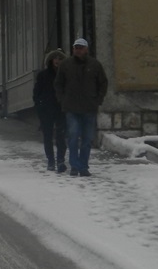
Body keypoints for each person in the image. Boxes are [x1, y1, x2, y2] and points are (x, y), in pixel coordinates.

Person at [55, 38, 109, 177]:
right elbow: (59, 83)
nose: (78, 50)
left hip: (89, 107)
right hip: (71, 108)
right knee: (73, 137)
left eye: (80, 48)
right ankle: (75, 165)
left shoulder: (95, 65)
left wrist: (98, 100)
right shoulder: (66, 64)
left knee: (87, 139)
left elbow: (103, 83)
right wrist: (62, 100)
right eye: (76, 48)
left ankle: (83, 166)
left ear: (86, 49)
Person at [33, 49, 67, 172]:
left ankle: (60, 160)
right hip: (46, 110)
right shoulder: (43, 75)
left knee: (61, 136)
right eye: (56, 58)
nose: (58, 61)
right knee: (48, 136)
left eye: (60, 58)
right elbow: (36, 93)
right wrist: (39, 106)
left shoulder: (65, 75)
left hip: (61, 109)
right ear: (51, 60)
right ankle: (51, 161)